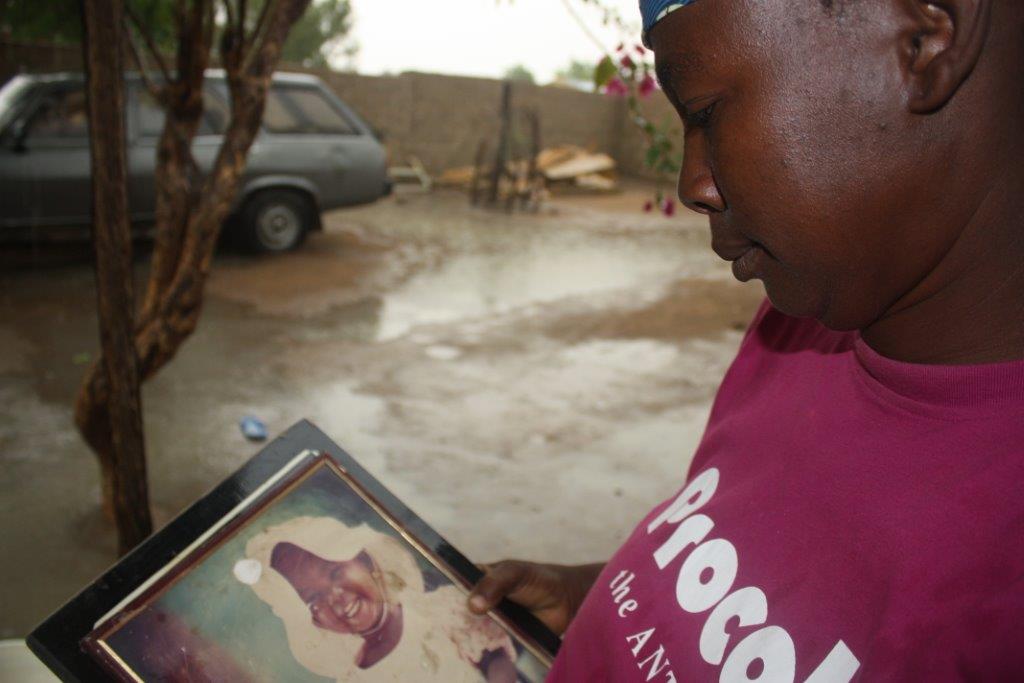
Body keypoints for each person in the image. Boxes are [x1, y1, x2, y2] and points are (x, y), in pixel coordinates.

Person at [469, 0, 1024, 680]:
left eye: (703, 112)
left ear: (925, 38)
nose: (691, 184)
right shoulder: (794, 332)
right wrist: (599, 594)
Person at [245, 517, 519, 682]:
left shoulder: (439, 611)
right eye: (313, 599)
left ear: (366, 561)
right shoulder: (356, 678)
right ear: (314, 621)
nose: (336, 600)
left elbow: (496, 660)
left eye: (335, 572)